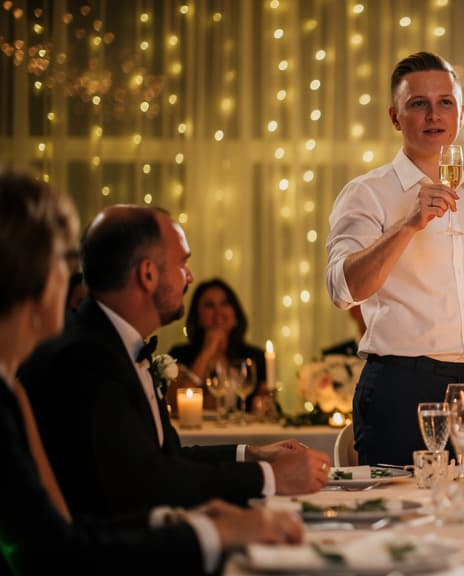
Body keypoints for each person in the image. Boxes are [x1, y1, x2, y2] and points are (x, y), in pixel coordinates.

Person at [0, 171, 303, 575]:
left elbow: (147, 468)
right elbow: (65, 538)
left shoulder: (105, 349)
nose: (75, 281)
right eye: (64, 263)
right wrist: (215, 531)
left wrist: (237, 478)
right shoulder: (83, 359)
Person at [19, 203, 331, 519]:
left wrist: (252, 455)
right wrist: (271, 478)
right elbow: (143, 486)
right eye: (182, 263)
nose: (190, 276)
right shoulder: (86, 359)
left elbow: (166, 459)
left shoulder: (114, 345)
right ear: (148, 273)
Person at [325, 52, 464, 466]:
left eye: (445, 102)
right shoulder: (367, 193)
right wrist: (408, 224)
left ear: (462, 113)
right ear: (396, 117)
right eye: (418, 104)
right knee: (399, 520)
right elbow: (343, 290)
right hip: (400, 391)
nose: (434, 115)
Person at [169, 278, 268, 410]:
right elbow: (175, 405)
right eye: (209, 305)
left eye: (224, 303)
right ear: (197, 316)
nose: (218, 312)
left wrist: (263, 404)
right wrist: (206, 352)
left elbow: (266, 408)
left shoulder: (255, 357)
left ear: (235, 313)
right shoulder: (180, 355)